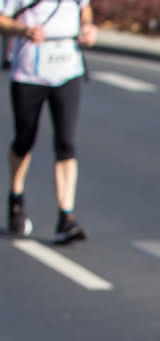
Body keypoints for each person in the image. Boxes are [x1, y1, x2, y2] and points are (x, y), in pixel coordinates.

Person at [2, 0, 95, 242]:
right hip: (29, 71)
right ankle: (16, 196)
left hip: (67, 69)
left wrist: (87, 27)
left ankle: (66, 217)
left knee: (66, 143)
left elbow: (84, 9)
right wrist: (23, 30)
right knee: (25, 139)